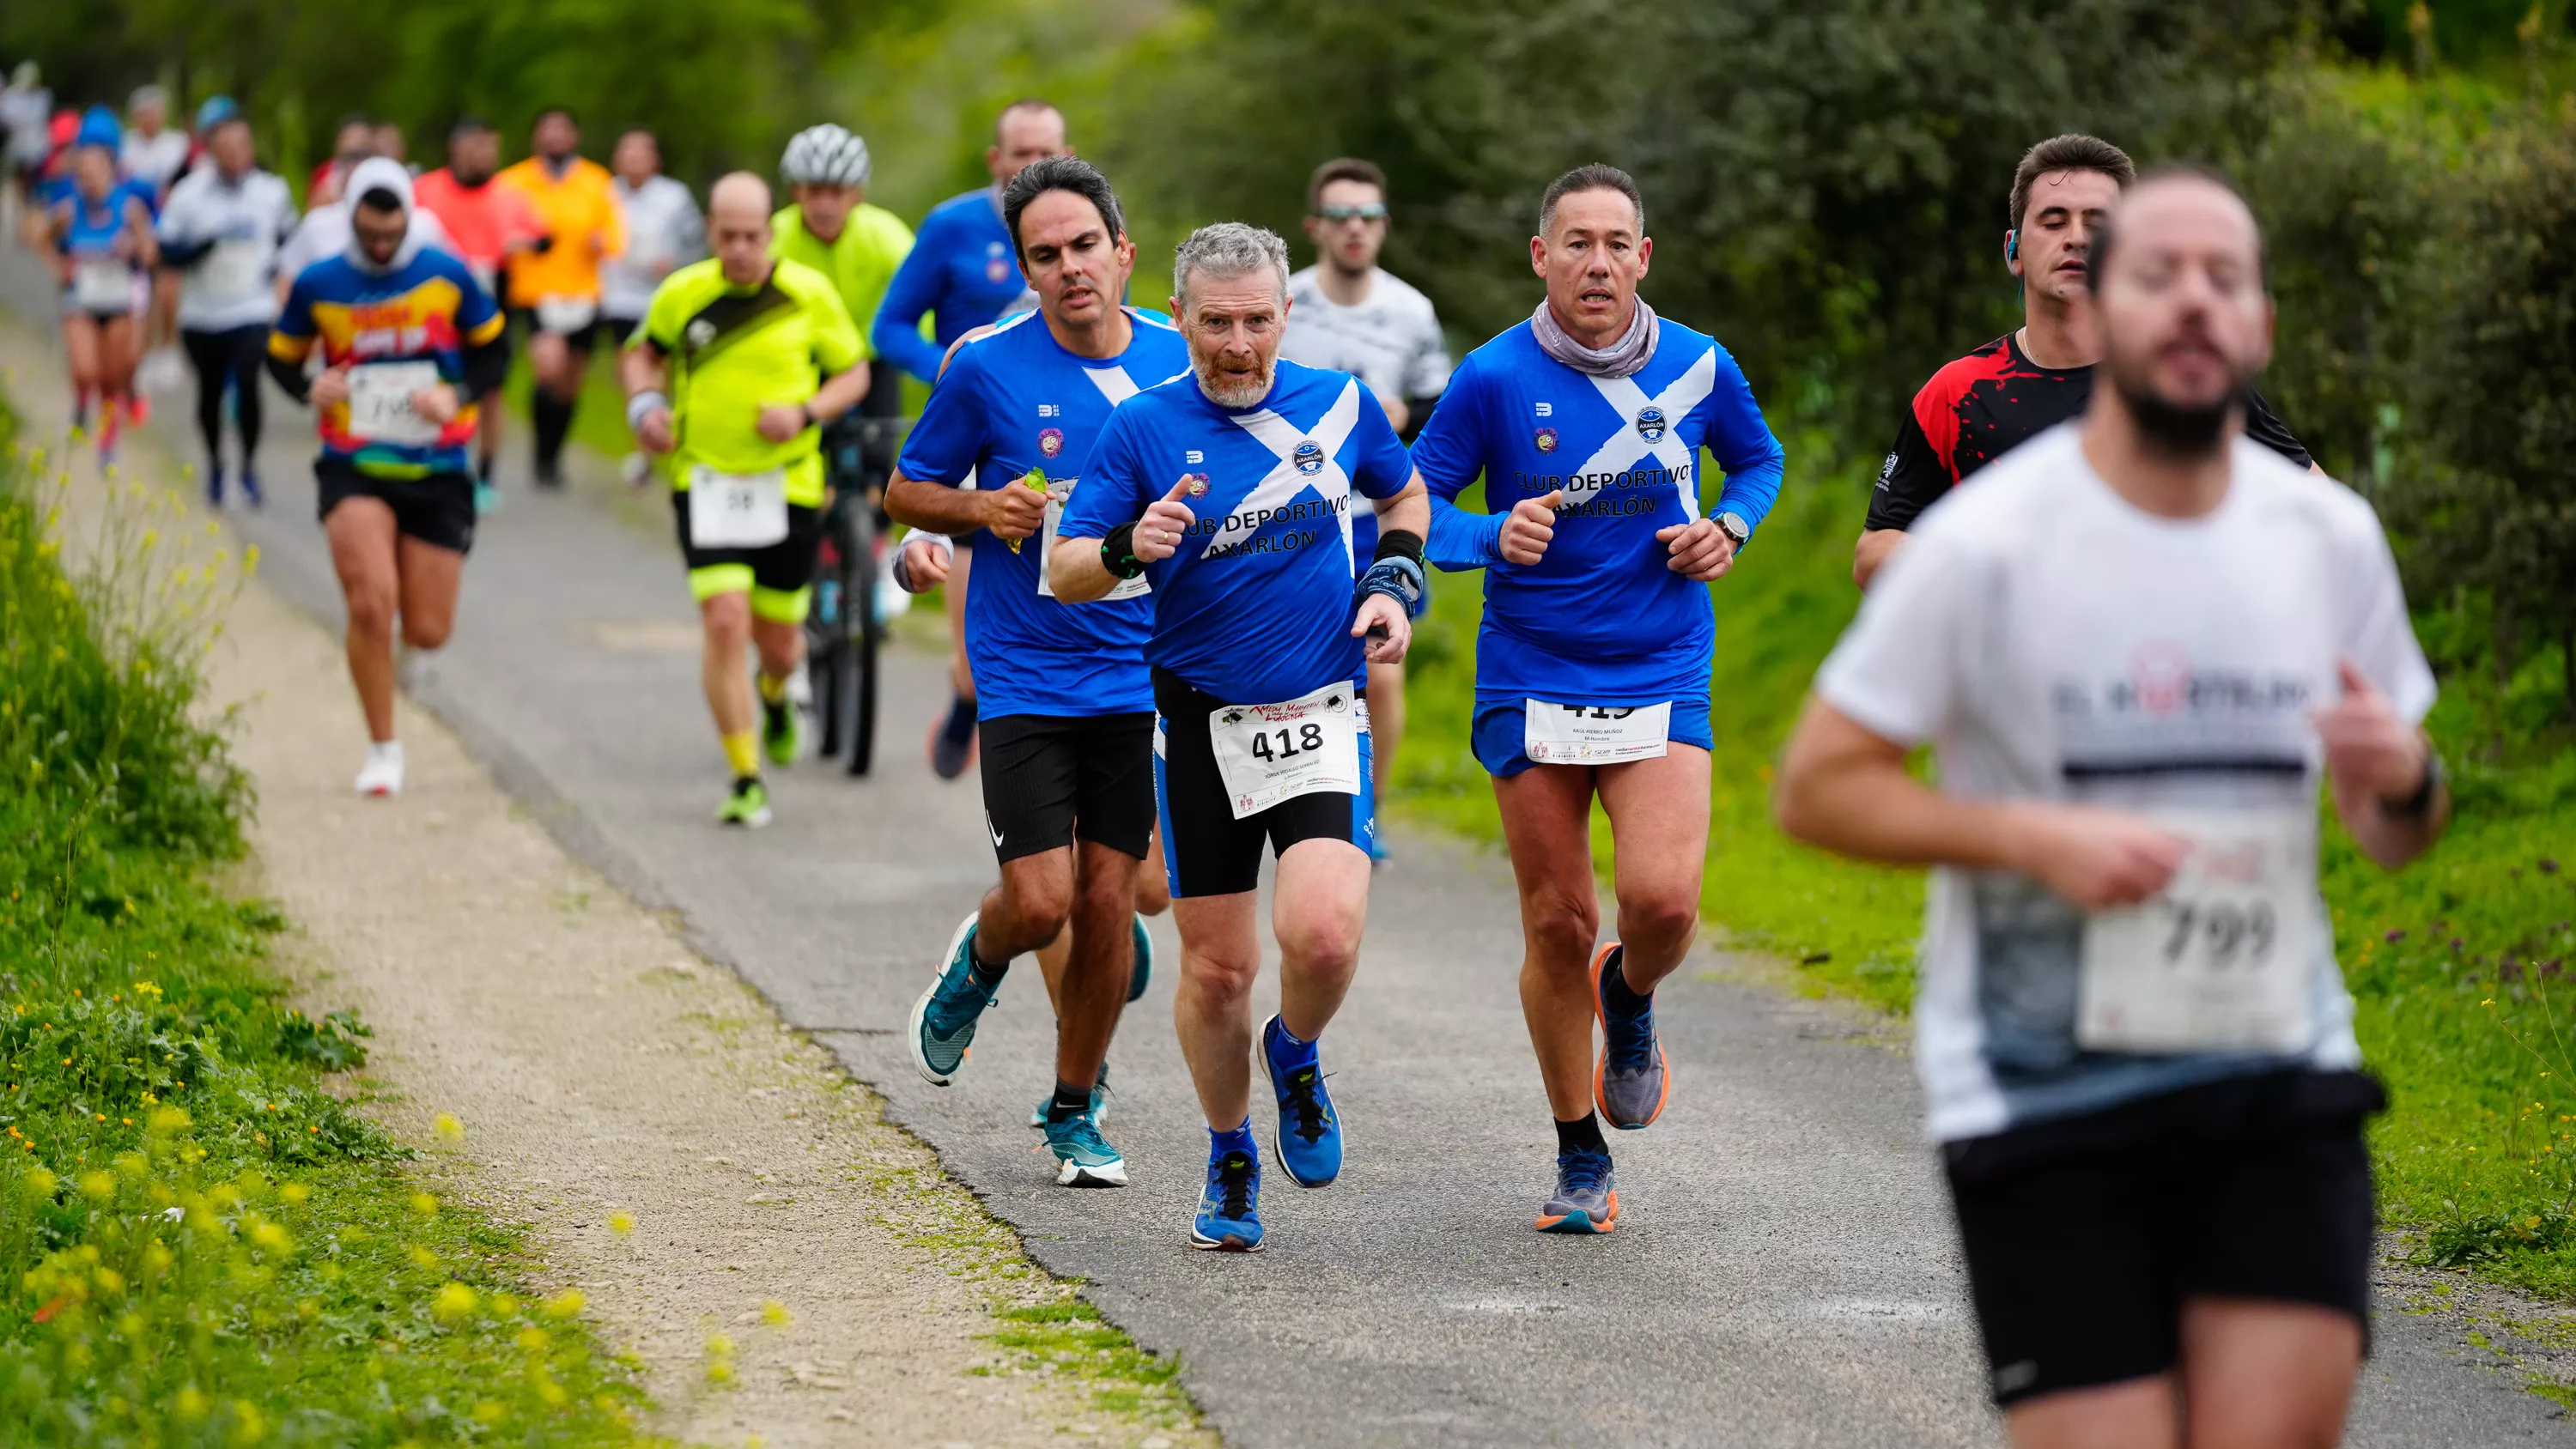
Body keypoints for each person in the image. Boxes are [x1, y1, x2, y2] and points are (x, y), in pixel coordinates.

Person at [1775, 168, 2446, 1449]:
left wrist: (2405, 777)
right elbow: (1816, 787)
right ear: (2105, 309)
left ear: (2258, 326)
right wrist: (2032, 839)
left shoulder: (2329, 538)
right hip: (2048, 1091)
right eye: (2158, 275)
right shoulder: (1990, 545)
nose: (2192, 303)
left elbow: (2394, 834)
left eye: (2226, 279)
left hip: (2276, 1066)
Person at [1411, 164, 1785, 1235]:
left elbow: (1757, 463)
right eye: (1576, 242)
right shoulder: (1491, 376)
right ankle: (1580, 1150)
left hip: (1659, 662)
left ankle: (1629, 994)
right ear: (1541, 257)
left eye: (1617, 242)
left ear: (1644, 257)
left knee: (1661, 905)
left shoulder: (1702, 366)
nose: (1597, 262)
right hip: (1531, 671)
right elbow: (1415, 498)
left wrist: (1732, 527)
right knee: (1557, 918)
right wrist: (1487, 536)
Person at [1051, 221, 1430, 1252]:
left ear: (1285, 315)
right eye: (1216, 321)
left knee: (1322, 934)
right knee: (1216, 971)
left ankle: (1296, 1051)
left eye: (1257, 319)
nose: (1238, 342)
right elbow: (1068, 568)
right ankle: (1229, 1152)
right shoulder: (1139, 428)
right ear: (1179, 319)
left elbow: (1402, 491)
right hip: (1199, 726)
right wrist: (1132, 543)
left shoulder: (1341, 403)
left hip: (1317, 712)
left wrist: (1396, 581)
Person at [885, 157, 1182, 1188]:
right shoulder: (986, 366)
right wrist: (979, 512)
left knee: (1118, 899)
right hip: (1026, 670)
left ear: (1123, 253)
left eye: (1084, 248)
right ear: (1023, 268)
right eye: (1044, 255)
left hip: (1146, 673)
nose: (1068, 269)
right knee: (1044, 899)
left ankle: (1074, 1107)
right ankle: (981, 956)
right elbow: (905, 488)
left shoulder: (1182, 366)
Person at [1852, 134, 2318, 591]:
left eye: (2097, 224)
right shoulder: (1957, 392)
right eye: (2053, 222)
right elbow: (1872, 555)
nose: (2076, 238)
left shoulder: (2181, 380)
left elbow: (2319, 510)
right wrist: (1992, 566)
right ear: (2013, 251)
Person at [619, 173, 870, 828]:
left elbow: (854, 371)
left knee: (780, 645)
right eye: (726, 236)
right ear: (710, 232)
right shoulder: (683, 294)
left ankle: (777, 694)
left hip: (786, 484)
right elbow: (640, 356)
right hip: (703, 480)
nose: (738, 249)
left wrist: (806, 410)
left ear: (770, 229)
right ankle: (745, 773)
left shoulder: (807, 294)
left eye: (751, 236)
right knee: (724, 622)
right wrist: (645, 405)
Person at [264, 159, 508, 797]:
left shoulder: (446, 272)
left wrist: (456, 396)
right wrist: (308, 386)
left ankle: (405, 658)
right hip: (353, 461)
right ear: (350, 222)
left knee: (428, 629)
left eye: (390, 234)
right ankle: (383, 749)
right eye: (368, 234)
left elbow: (494, 352)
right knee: (372, 603)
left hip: (437, 465)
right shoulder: (320, 282)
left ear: (408, 219)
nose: (380, 245)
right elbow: (282, 359)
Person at [874, 99, 1071, 782]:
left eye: (1048, 153)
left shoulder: (1083, 233)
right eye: (1021, 153)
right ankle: (968, 701)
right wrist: (953, 371)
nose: (1035, 167)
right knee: (976, 646)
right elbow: (891, 325)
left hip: (1056, 441)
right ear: (997, 161)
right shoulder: (952, 226)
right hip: (969, 443)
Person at [1280, 156, 1451, 863]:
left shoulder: (1411, 310)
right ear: (1315, 226)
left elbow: (1441, 412)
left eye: (1369, 217)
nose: (1356, 229)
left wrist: (1403, 414)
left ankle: (1368, 814)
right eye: (1342, 216)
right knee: (1295, 667)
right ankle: (1286, 797)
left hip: (1374, 515)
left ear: (1384, 226)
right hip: (1291, 516)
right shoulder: (1283, 303)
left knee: (1382, 668)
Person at [155, 111, 296, 506]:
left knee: (249, 381)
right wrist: (199, 249)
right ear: (212, 150)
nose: (236, 153)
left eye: (243, 145)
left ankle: (249, 465)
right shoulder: (188, 194)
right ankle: (216, 464)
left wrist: (279, 273)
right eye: (227, 147)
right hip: (201, 314)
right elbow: (165, 250)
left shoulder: (272, 191)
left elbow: (290, 240)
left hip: (252, 308)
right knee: (211, 394)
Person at [770, 124, 912, 476]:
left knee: (881, 460)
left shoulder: (887, 236)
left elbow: (919, 302)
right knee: (802, 457)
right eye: (814, 191)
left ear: (857, 194)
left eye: (837, 192)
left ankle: (875, 520)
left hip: (873, 356)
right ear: (795, 191)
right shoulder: (774, 237)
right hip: (806, 358)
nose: (825, 204)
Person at [500, 107, 626, 488]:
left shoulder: (595, 180)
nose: (554, 138)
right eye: (546, 131)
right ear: (536, 137)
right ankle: (540, 452)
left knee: (571, 382)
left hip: (584, 292)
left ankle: (554, 454)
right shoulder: (515, 181)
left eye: (561, 131)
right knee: (548, 369)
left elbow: (617, 236)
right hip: (537, 291)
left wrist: (602, 243)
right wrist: (525, 243)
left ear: (574, 136)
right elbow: (498, 233)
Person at [46, 109, 156, 460]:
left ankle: (108, 441)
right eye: (81, 172)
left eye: (92, 172)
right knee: (85, 368)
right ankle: (80, 401)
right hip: (80, 298)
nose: (86, 179)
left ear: (110, 168)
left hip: (118, 300)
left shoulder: (130, 208)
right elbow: (39, 235)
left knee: (111, 374)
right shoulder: (68, 208)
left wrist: (134, 246)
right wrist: (59, 265)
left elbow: (151, 253)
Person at [603, 129, 705, 483]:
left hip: (663, 298)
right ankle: (644, 442)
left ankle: (653, 446)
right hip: (618, 299)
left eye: (640, 153)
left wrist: (674, 262)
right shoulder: (605, 194)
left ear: (655, 159)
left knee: (661, 370)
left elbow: (698, 244)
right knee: (630, 370)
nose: (633, 160)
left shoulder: (674, 197)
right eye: (626, 153)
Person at [120, 86, 191, 198]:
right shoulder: (124, 144)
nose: (150, 118)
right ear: (135, 116)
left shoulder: (179, 142)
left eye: (154, 111)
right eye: (145, 113)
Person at [307, 114, 378, 204]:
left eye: (361, 154)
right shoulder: (324, 177)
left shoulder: (385, 173)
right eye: (351, 156)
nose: (355, 143)